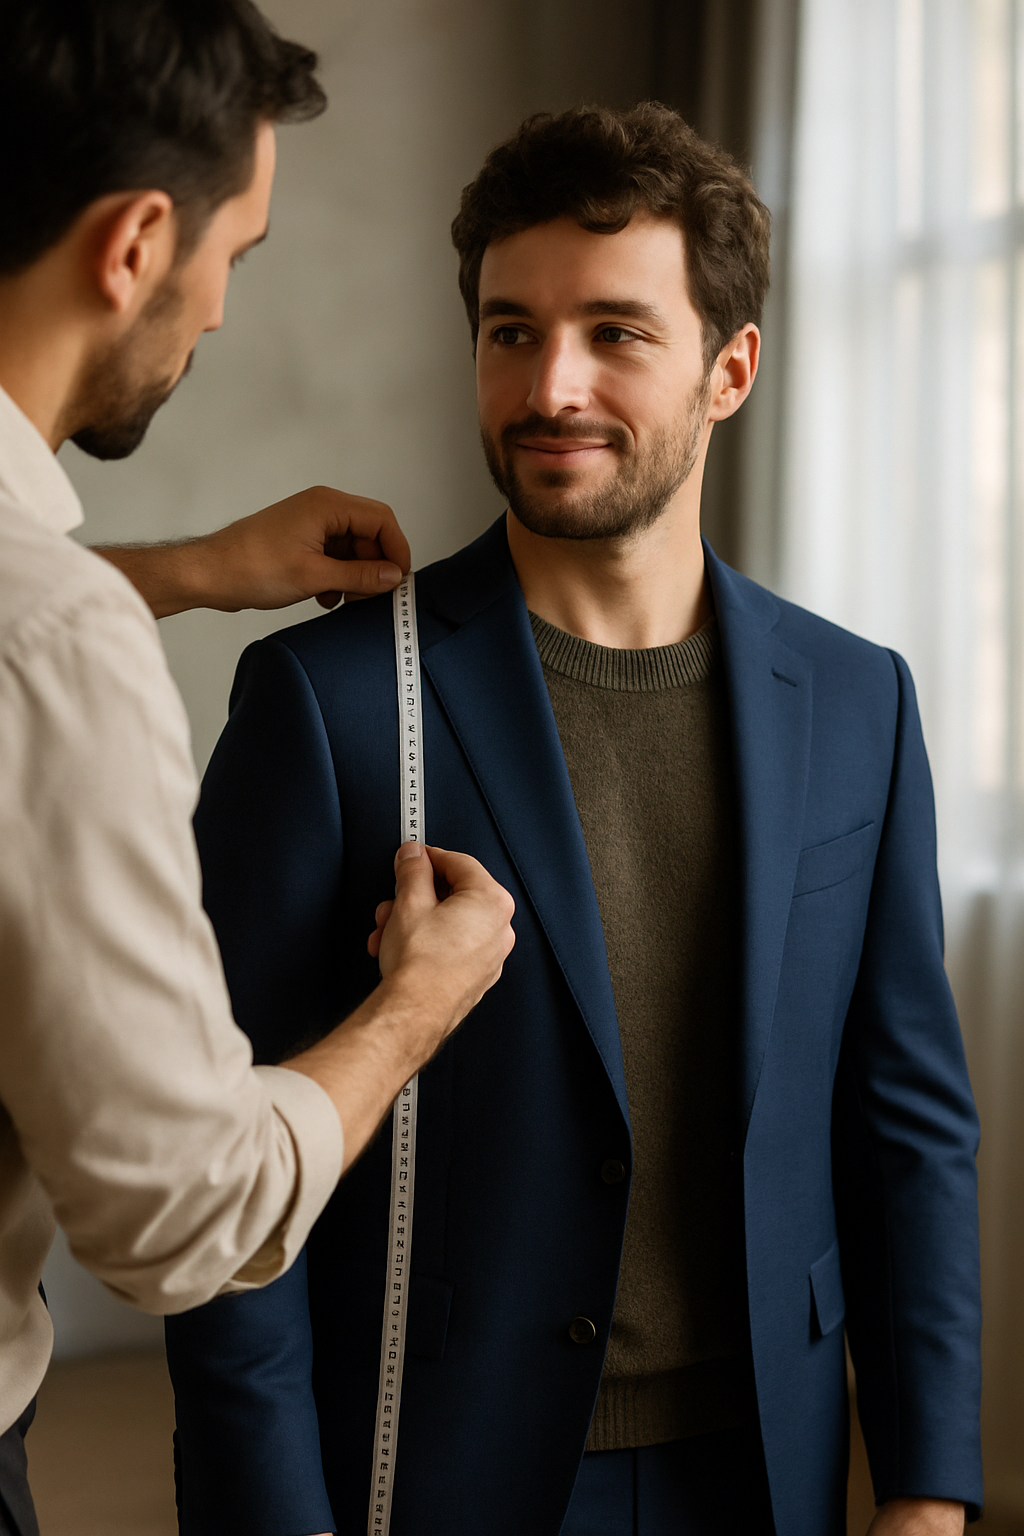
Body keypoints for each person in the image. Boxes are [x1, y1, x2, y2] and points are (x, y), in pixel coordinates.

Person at [164, 105, 982, 1536]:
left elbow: (905, 1123)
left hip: (767, 1473)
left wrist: (927, 1487)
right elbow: (224, 1187)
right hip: (447, 1474)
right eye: (509, 330)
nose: (551, 385)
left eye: (616, 332)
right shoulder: (331, 703)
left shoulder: (859, 701)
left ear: (730, 369)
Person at [0, 3, 516, 1533]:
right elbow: (184, 1216)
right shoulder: (57, 647)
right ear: (137, 240)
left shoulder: (55, 620)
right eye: (239, 250)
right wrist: (422, 998)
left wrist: (172, 569)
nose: (221, 310)